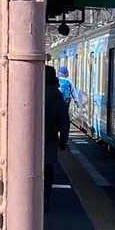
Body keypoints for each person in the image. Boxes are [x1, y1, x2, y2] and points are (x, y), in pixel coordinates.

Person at [45, 65, 69, 208]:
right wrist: (63, 142)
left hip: (29, 142)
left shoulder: (31, 92)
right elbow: (64, 122)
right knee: (48, 170)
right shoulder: (57, 96)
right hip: (50, 140)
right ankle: (46, 198)